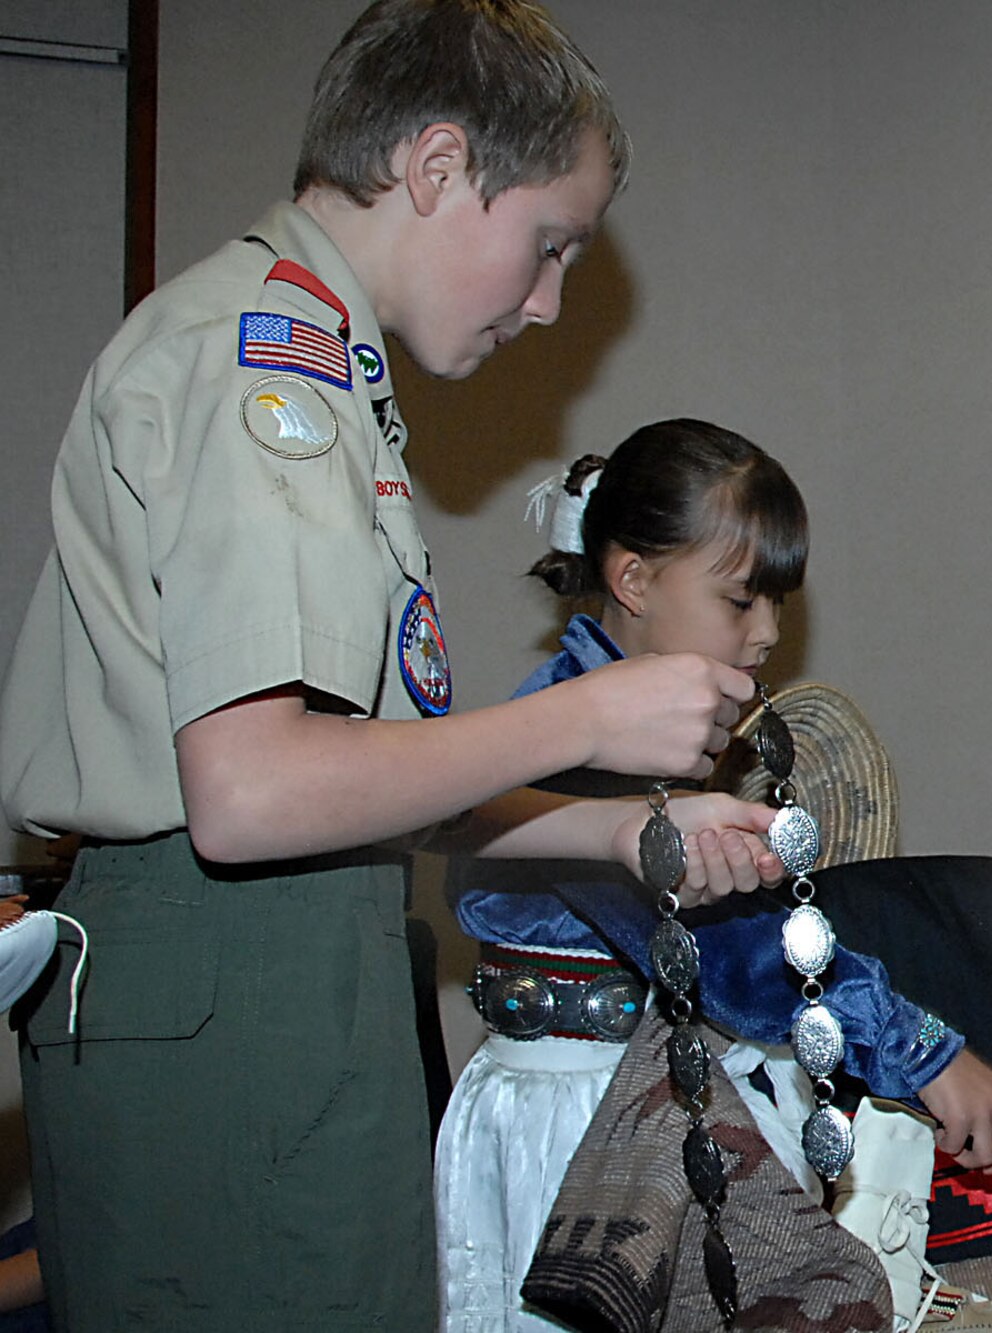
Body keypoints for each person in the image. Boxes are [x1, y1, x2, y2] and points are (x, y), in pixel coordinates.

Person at [0, 4, 785, 1327]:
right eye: (547, 247)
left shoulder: (326, 375)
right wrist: (592, 707)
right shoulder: (259, 367)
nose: (546, 305)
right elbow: (254, 792)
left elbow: (353, 778)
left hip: (294, 979)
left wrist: (623, 831)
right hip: (225, 1004)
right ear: (435, 167)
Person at [440, 420, 992, 1331]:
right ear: (633, 578)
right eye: (739, 601)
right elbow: (728, 954)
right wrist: (927, 1056)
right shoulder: (576, 740)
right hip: (577, 1135)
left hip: (619, 1095)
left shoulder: (616, 726)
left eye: (778, 604)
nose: (767, 633)